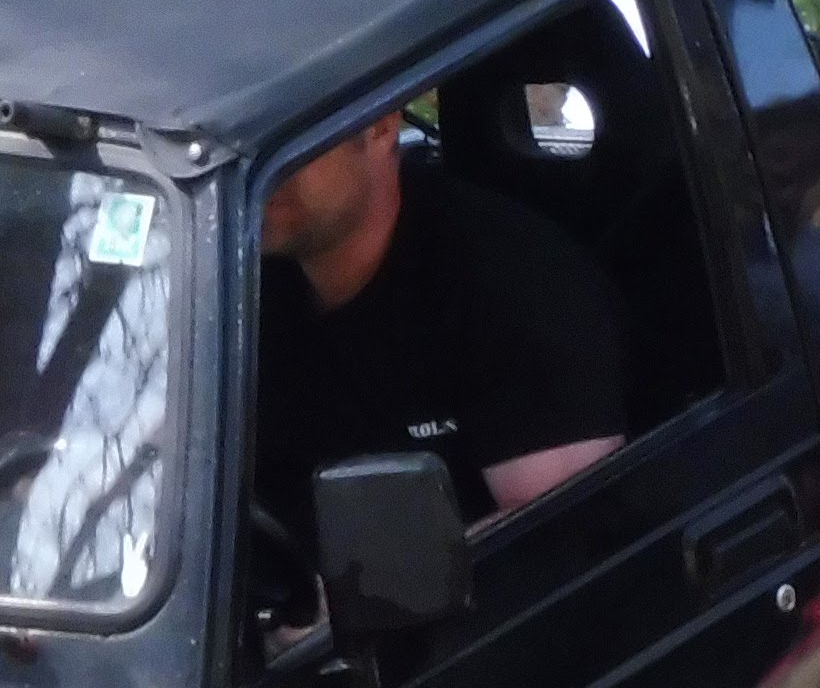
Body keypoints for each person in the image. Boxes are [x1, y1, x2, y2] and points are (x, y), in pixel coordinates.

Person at [250, 110, 626, 544]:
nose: (259, 162)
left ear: (381, 126)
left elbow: (559, 537)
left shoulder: (514, 286)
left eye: (288, 134)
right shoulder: (235, 280)